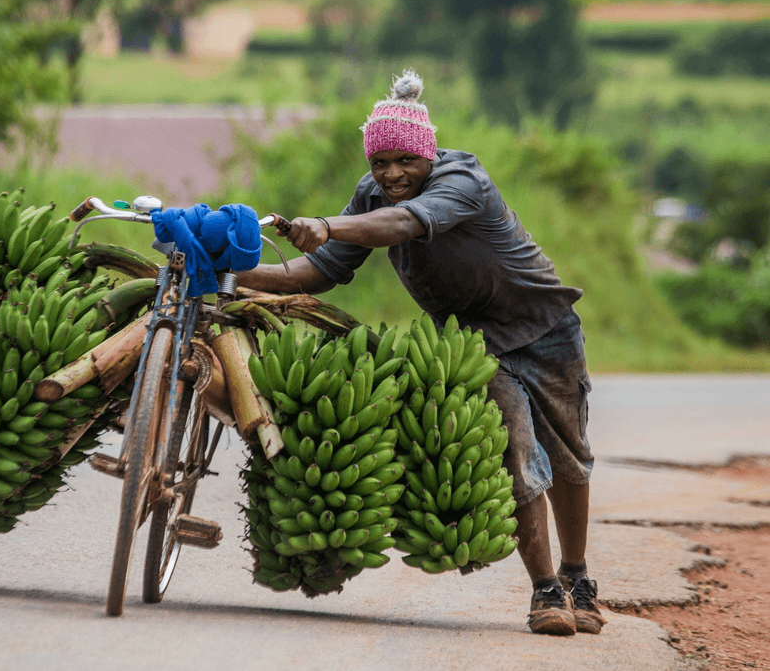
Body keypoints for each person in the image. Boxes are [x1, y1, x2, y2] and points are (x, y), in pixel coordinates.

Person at [236, 68, 605, 636]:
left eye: (404, 162)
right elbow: (321, 272)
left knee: (569, 460)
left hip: (542, 323)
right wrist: (239, 276)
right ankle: (546, 591)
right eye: (380, 164)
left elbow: (403, 224)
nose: (392, 175)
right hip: (473, 344)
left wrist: (329, 224)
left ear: (428, 156)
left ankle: (579, 575)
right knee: (517, 454)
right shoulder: (370, 193)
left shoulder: (464, 179)